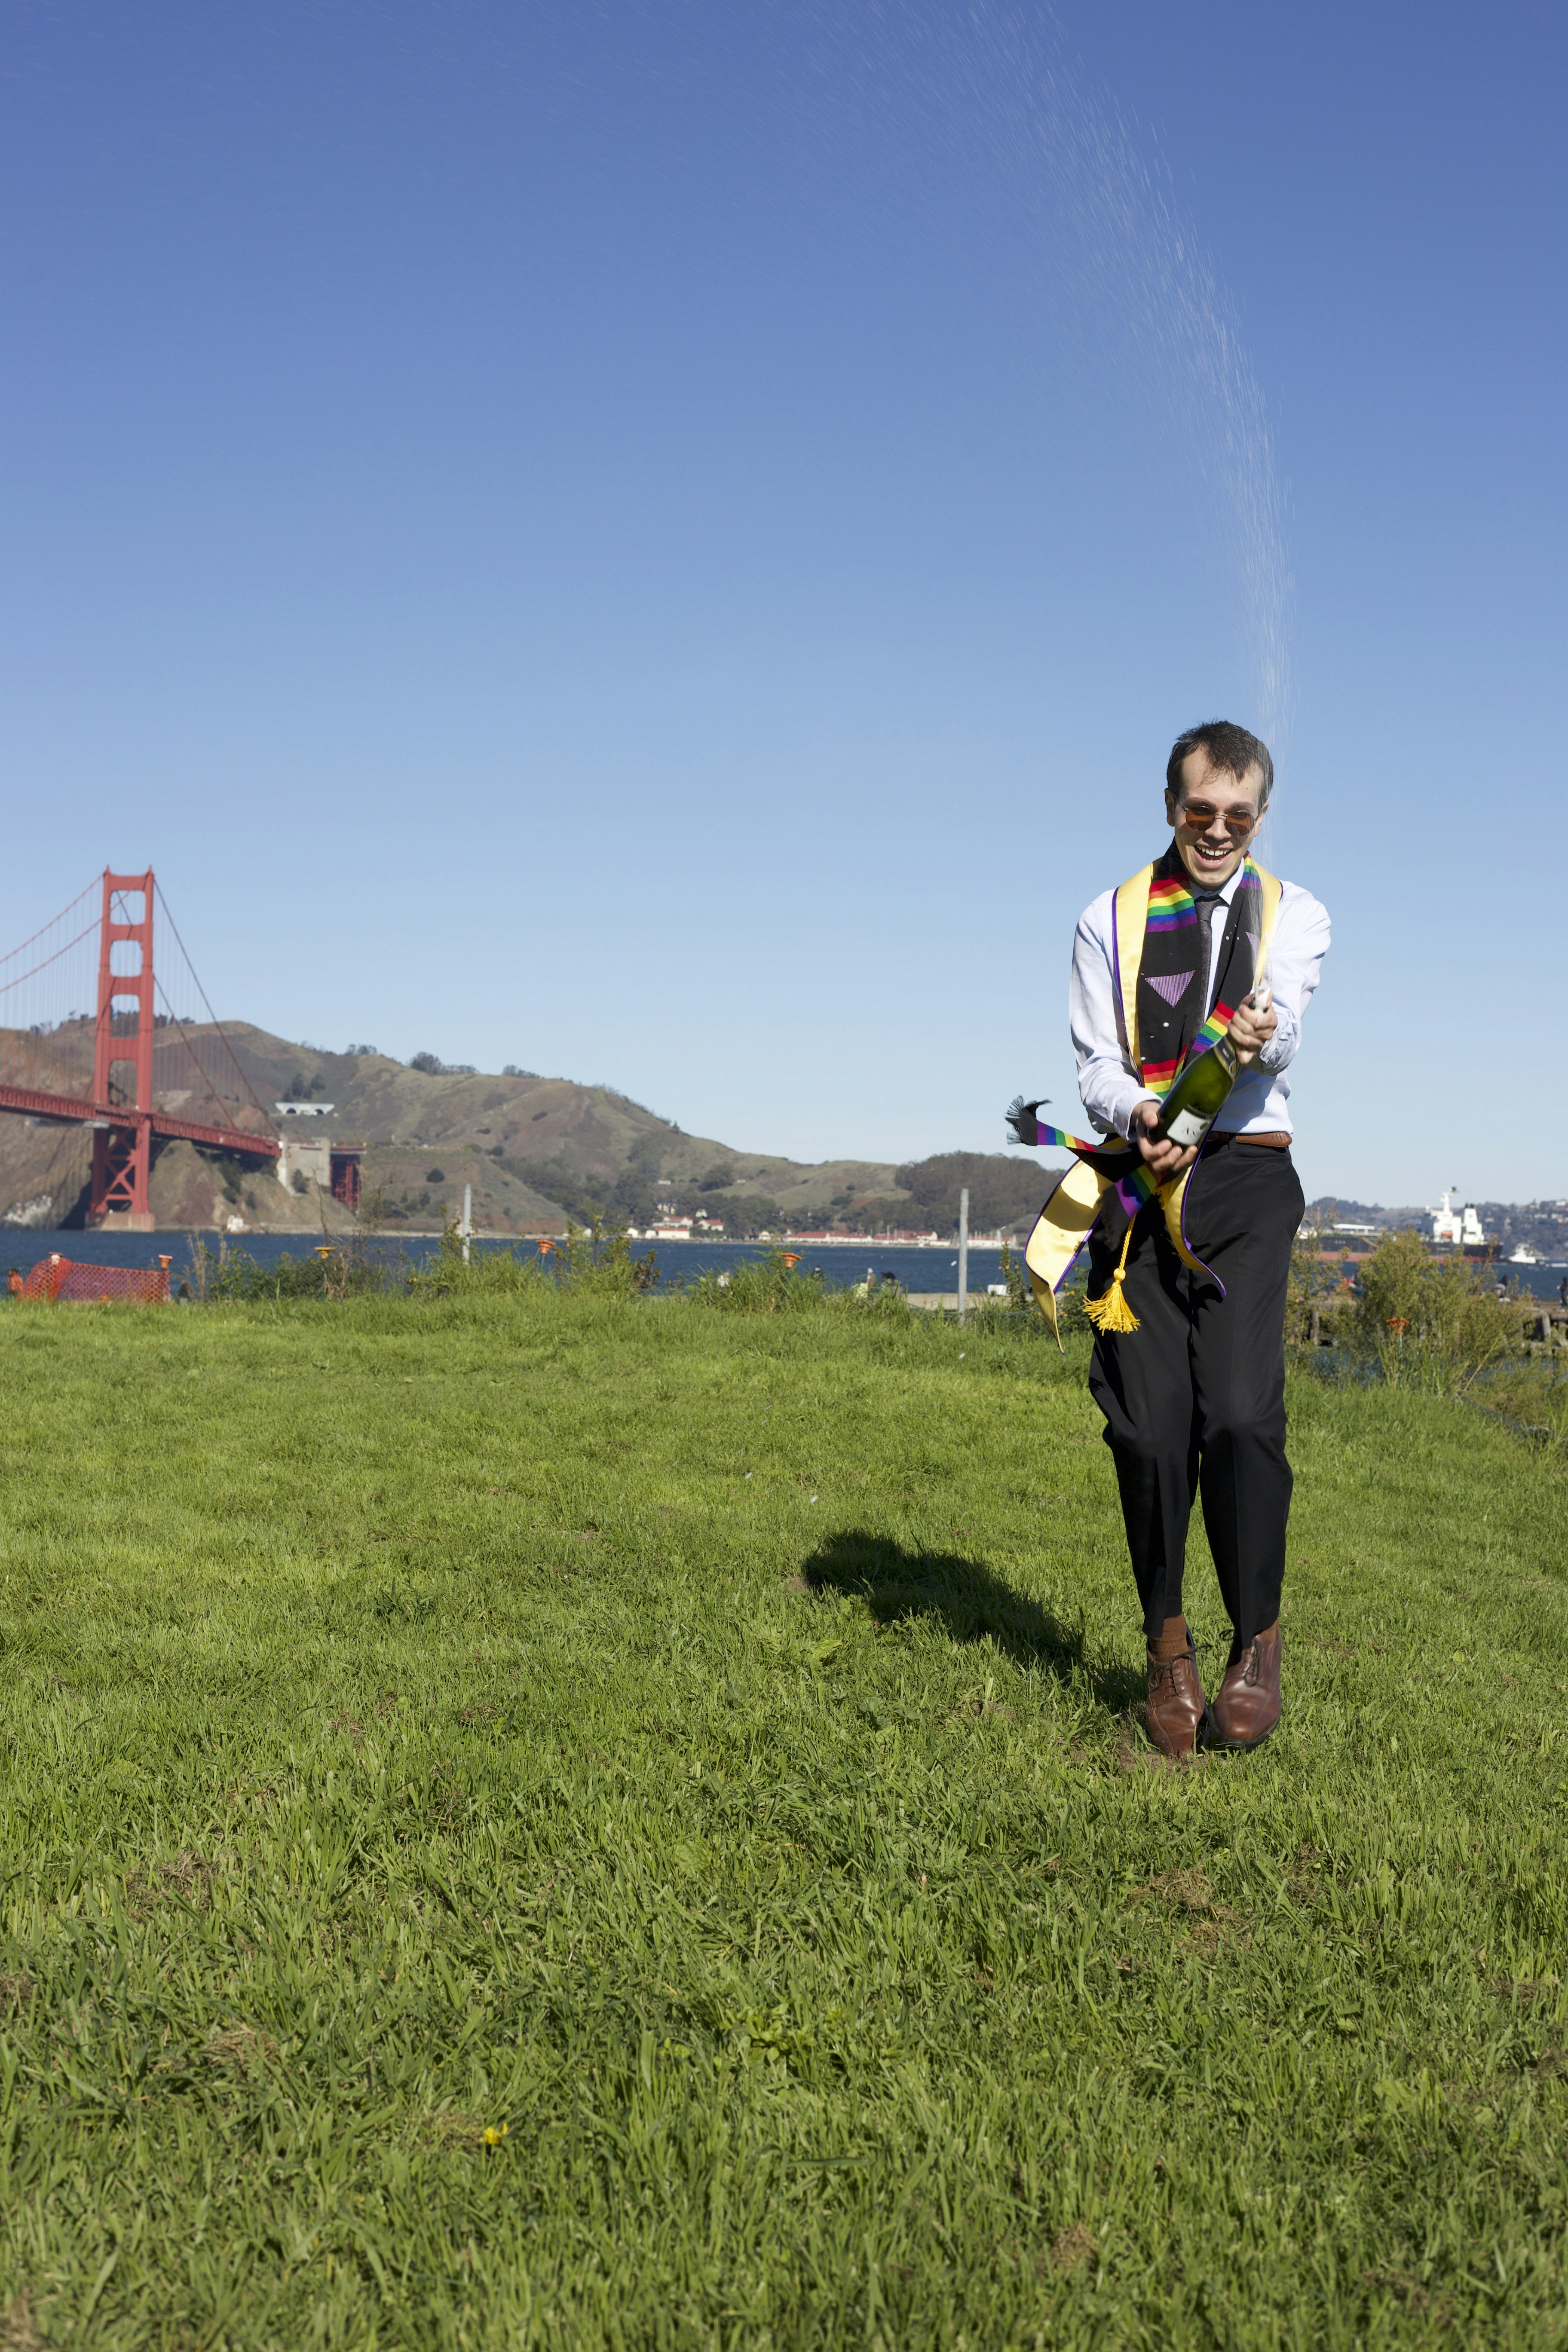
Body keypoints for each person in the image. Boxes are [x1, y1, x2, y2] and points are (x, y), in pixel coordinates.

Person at [1066, 721, 1329, 1755]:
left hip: (1247, 1178)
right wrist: (1139, 1115)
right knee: (1146, 1423)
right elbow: (1094, 1062)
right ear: (1170, 806)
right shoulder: (1110, 917)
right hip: (1139, 1177)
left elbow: (1290, 1020)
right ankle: (1168, 1641)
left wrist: (1262, 1034)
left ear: (1259, 817)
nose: (1217, 831)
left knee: (1239, 1414)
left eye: (1238, 815)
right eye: (1198, 811)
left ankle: (1255, 1635)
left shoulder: (1293, 912)